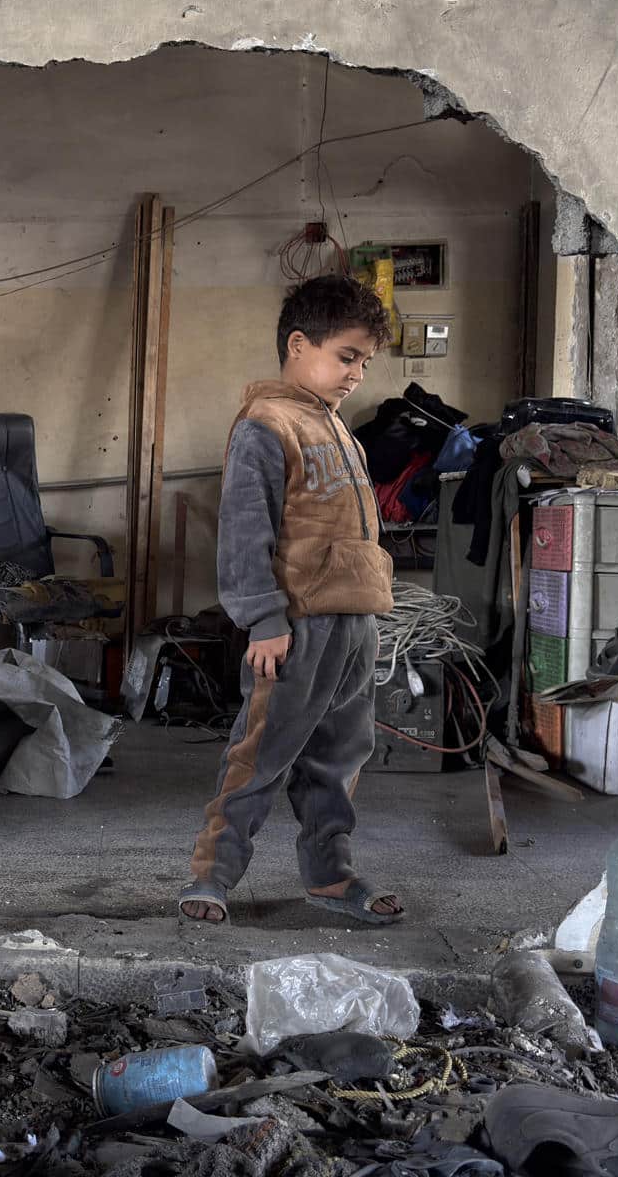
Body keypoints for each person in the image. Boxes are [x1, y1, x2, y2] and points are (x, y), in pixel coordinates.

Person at [178, 274, 401, 925]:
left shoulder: (339, 429)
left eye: (365, 362)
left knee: (339, 759)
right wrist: (264, 620)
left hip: (355, 624)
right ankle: (212, 876)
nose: (357, 373)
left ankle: (330, 876)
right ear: (299, 345)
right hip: (298, 627)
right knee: (262, 755)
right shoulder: (266, 425)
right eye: (347, 356)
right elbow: (244, 533)